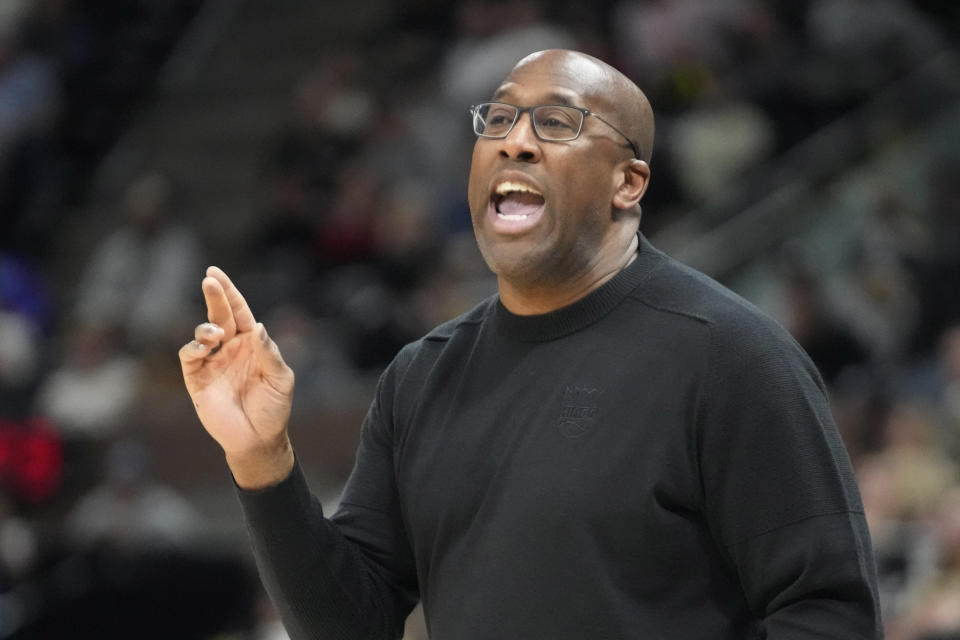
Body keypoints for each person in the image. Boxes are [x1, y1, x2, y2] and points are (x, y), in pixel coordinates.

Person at [179, 49, 882, 639]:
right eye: (502, 118)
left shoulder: (732, 355)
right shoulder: (421, 378)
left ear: (627, 182)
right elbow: (351, 627)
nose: (516, 139)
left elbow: (827, 614)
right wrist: (261, 458)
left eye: (556, 122)